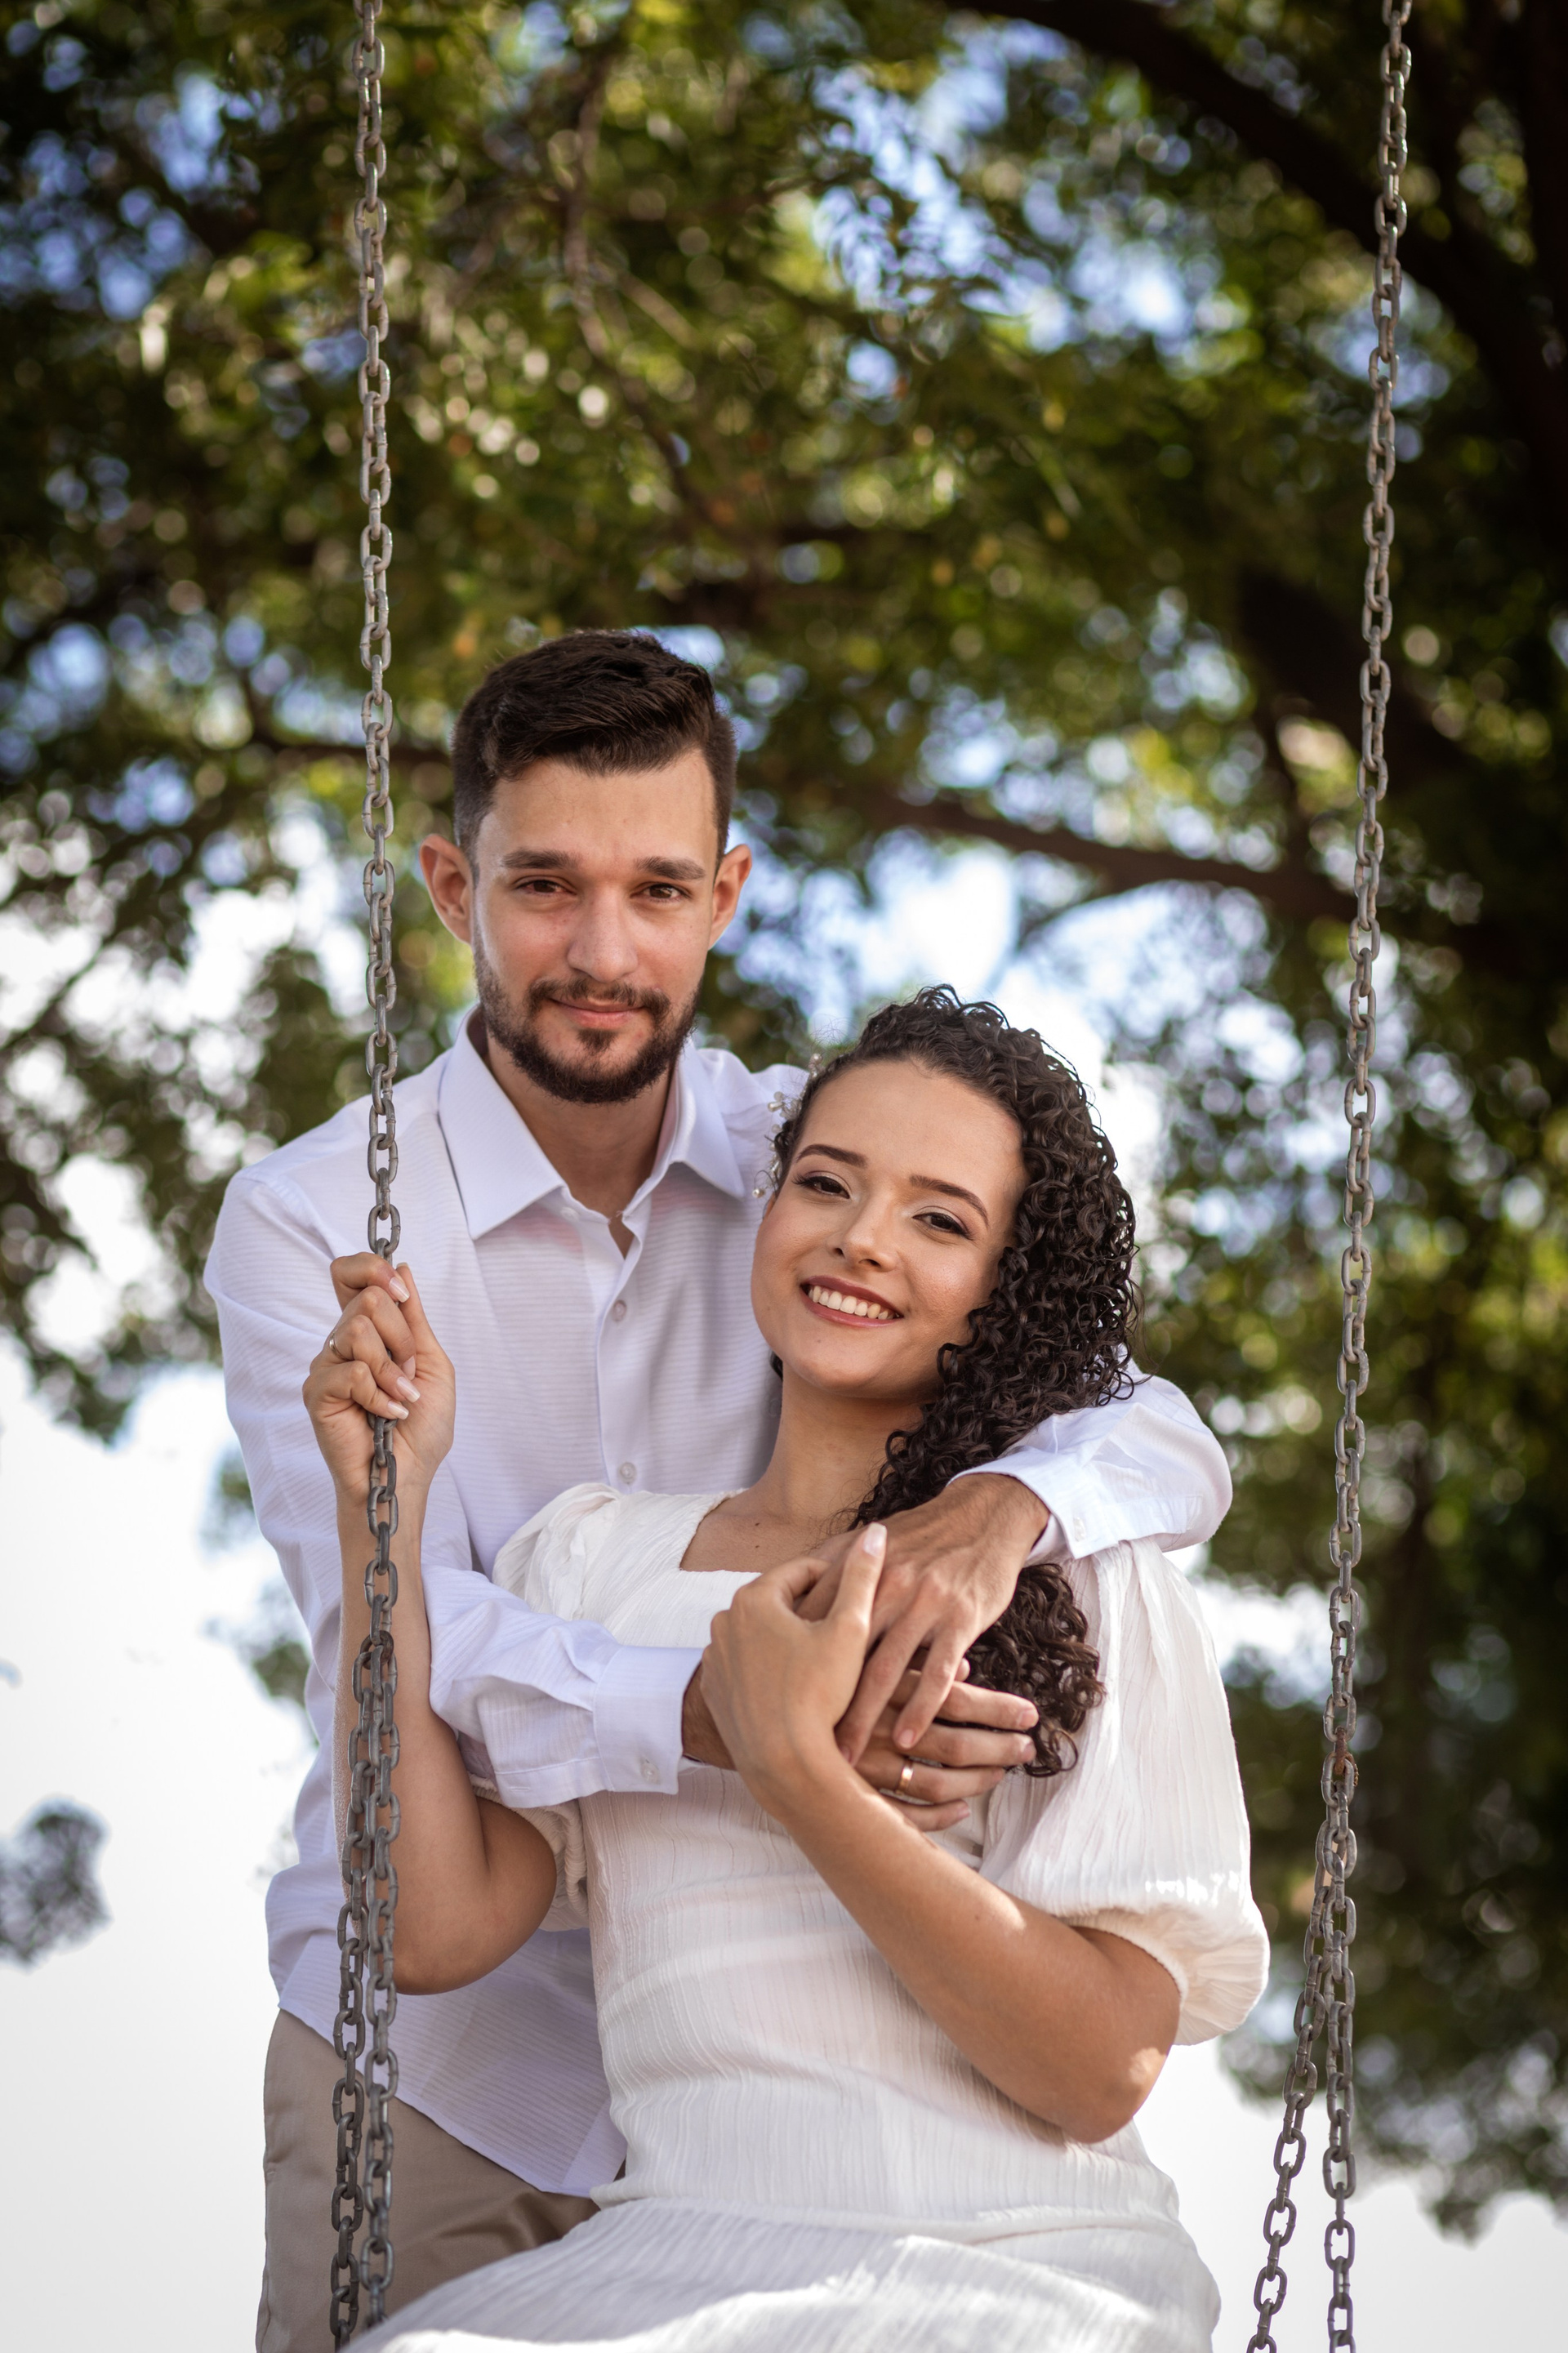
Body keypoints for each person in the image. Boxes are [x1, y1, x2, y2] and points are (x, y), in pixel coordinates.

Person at [207, 631, 1234, 2347]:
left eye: (660, 890)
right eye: (545, 885)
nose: (604, 952)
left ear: (726, 894)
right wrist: (731, 1709)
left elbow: (1138, 1413)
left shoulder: (795, 1148)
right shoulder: (315, 1225)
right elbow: (415, 1624)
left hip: (917, 2163)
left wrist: (1010, 1512)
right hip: (455, 2052)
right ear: (454, 886)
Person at [305, 987, 1268, 2353]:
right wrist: (384, 1513)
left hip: (1012, 2262)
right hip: (669, 2250)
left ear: (1010, 1287)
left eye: (941, 1220)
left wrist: (800, 1773)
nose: (862, 1236)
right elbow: (428, 1932)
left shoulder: (1064, 1572)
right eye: (826, 1182)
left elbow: (1101, 2066)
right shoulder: (590, 1558)